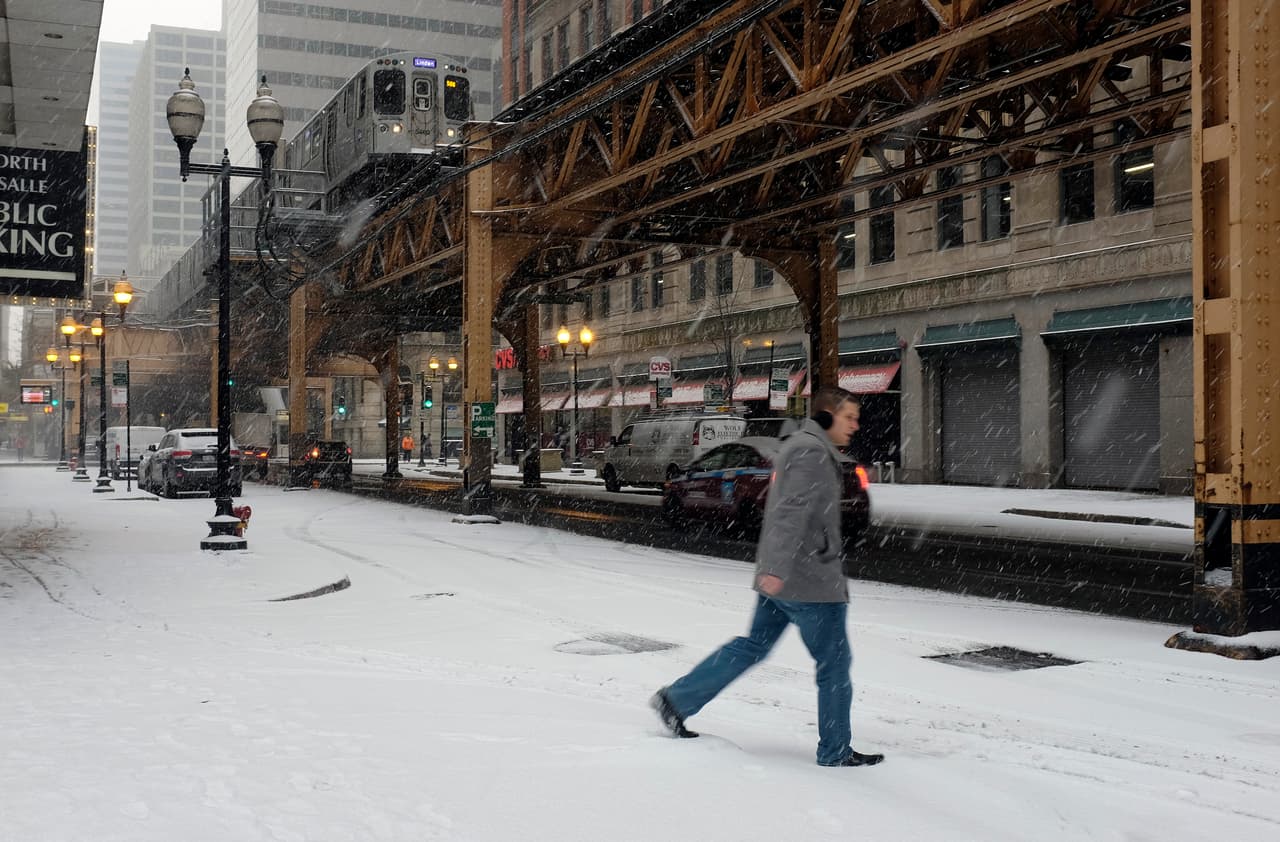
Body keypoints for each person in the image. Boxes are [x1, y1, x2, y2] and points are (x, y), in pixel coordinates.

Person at [650, 386, 884, 768]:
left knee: (752, 645)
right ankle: (835, 750)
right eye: (849, 418)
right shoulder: (809, 452)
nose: (856, 426)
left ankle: (677, 700)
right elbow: (789, 514)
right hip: (808, 581)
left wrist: (774, 570)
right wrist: (778, 568)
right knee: (834, 664)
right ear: (826, 417)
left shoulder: (801, 447)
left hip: (787, 575)